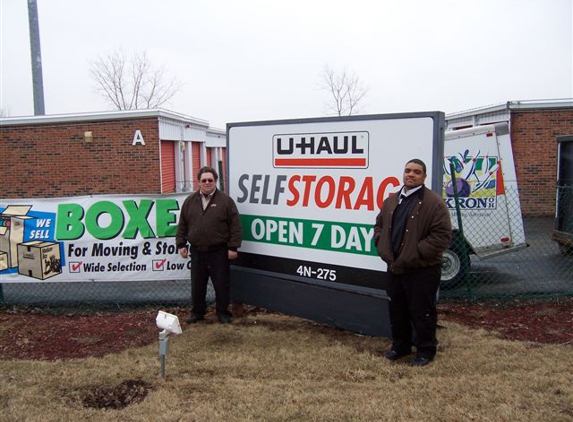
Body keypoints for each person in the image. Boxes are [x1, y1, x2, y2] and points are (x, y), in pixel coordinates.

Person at [374, 158, 451, 366]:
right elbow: (379, 225)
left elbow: (442, 236)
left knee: (422, 311)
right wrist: (381, 244)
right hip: (394, 267)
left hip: (422, 269)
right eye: (408, 170)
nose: (411, 174)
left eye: (417, 172)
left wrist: (415, 253)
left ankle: (425, 351)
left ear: (424, 177)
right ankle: (400, 347)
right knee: (397, 310)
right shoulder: (391, 200)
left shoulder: (434, 203)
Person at [176, 166, 243, 324]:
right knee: (197, 286)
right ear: (198, 182)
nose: (207, 183)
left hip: (218, 252)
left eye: (210, 180)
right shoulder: (190, 201)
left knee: (221, 285)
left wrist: (233, 247)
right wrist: (181, 244)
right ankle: (198, 313)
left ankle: (223, 313)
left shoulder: (225, 201)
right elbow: (182, 225)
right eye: (204, 180)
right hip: (197, 252)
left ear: (215, 182)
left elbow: (235, 226)